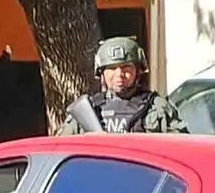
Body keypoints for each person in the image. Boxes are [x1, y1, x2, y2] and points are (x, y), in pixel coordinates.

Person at [60, 36, 188, 135]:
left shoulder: (156, 108)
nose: (119, 74)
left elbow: (181, 148)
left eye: (126, 68)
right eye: (112, 68)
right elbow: (62, 149)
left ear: (138, 71)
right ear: (102, 72)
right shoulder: (87, 110)